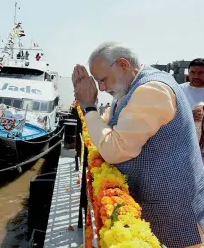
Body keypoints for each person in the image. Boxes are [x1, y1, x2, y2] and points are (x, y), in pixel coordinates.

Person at [71, 41, 204, 248]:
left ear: (123, 64)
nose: (102, 88)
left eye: (103, 80)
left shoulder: (152, 90)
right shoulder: (132, 88)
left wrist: (89, 107)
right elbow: (113, 123)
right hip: (160, 205)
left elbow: (115, 150)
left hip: (173, 211)